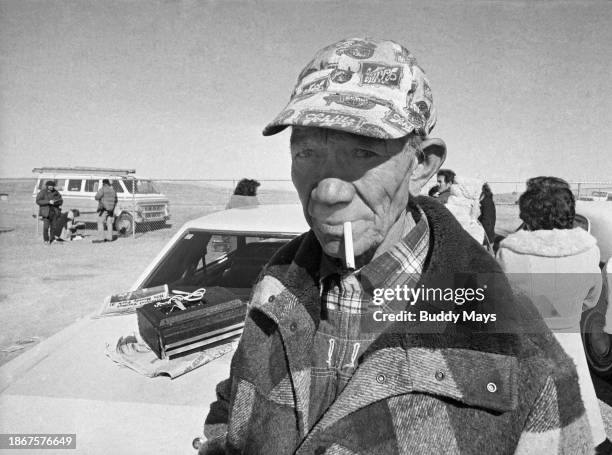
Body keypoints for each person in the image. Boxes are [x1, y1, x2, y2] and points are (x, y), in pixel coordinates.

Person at [199, 38, 591, 454]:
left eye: (364, 152)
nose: (328, 191)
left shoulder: (516, 346)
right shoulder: (276, 288)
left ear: (421, 164)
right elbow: (233, 411)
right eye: (307, 152)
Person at [497, 177, 609, 452]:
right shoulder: (588, 250)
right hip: (570, 345)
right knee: (580, 419)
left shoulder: (510, 252)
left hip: (527, 346)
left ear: (527, 212)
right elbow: (592, 299)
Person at [444, 176, 486, 243]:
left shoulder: (446, 210)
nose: (479, 205)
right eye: (478, 201)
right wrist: (473, 220)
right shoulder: (470, 225)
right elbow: (473, 248)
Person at [36, 180, 63, 244]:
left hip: (55, 212)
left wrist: (56, 202)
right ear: (47, 186)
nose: (51, 187)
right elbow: (38, 201)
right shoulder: (42, 192)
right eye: (50, 186)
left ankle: (52, 239)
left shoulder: (56, 192)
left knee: (53, 227)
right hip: (46, 213)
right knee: (46, 227)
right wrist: (48, 202)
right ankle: (46, 240)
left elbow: (61, 201)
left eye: (52, 186)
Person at [478, 182, 496, 246]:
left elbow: (485, 216)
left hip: (485, 227)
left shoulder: (484, 202)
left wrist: (478, 220)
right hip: (491, 227)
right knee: (490, 244)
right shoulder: (490, 201)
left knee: (485, 247)